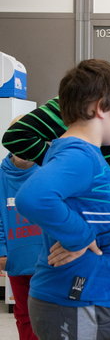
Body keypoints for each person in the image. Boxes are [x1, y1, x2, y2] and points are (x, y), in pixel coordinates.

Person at [2, 29, 110, 340]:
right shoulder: (79, 154)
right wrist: (80, 235)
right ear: (100, 108)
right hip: (77, 291)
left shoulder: (88, 154)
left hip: (105, 271)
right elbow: (33, 196)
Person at [0, 116, 41, 340]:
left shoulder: (47, 171)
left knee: (49, 314)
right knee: (24, 315)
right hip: (17, 258)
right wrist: (2, 251)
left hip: (46, 258)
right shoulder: (1, 177)